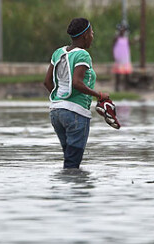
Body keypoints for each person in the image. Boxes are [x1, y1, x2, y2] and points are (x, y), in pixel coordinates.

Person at [43, 17, 108, 169]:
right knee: (73, 164)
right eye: (92, 32)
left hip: (56, 112)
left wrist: (60, 99)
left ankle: (64, 190)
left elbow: (47, 82)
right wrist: (99, 95)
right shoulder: (83, 55)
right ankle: (75, 192)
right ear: (85, 35)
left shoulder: (58, 52)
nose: (93, 36)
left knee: (68, 158)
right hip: (76, 113)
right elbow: (77, 83)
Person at [112, 23, 132, 91]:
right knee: (118, 73)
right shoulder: (116, 38)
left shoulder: (126, 38)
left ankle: (127, 87)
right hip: (119, 58)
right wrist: (114, 55)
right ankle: (117, 87)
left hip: (125, 58)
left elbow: (128, 46)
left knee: (127, 73)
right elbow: (113, 46)